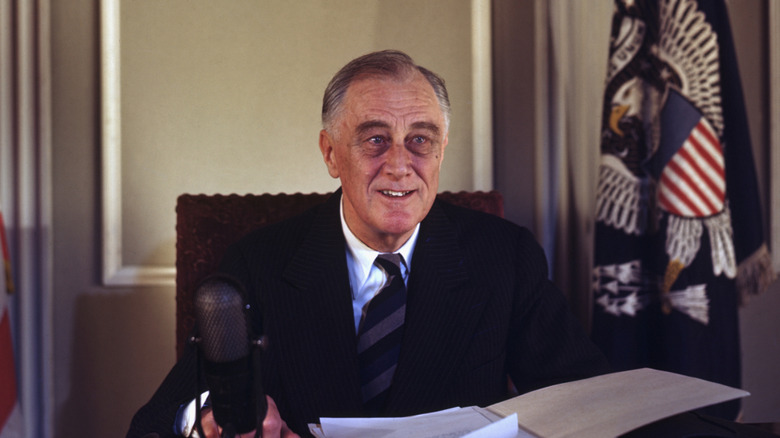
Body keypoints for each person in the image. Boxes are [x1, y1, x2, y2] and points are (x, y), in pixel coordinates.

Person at [126, 49, 610, 438]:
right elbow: (161, 421)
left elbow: (584, 401)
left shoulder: (505, 256)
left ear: (442, 149)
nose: (400, 164)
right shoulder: (258, 262)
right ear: (331, 153)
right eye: (376, 139)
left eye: (420, 140)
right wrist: (212, 421)